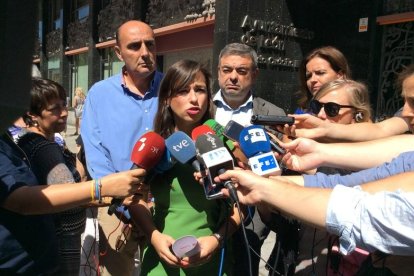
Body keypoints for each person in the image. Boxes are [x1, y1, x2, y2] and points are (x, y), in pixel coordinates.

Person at [129, 59, 241, 275]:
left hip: (215, 260)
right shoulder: (153, 146)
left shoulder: (222, 142)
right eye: (183, 91)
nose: (193, 99)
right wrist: (154, 237)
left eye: (199, 90)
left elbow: (242, 206)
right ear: (167, 99)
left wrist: (217, 239)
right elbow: (133, 199)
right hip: (163, 261)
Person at [0, 112, 146, 274]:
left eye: (63, 104)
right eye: (55, 107)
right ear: (34, 114)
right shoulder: (39, 146)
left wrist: (106, 195)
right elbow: (21, 200)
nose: (63, 112)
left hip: (44, 257)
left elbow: (66, 191)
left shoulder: (49, 143)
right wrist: (100, 187)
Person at [81, 20, 163, 275]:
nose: (145, 53)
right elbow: (95, 151)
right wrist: (122, 198)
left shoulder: (173, 88)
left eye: (150, 44)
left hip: (163, 202)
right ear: (118, 53)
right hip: (115, 207)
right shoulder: (99, 94)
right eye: (134, 46)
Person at [214, 42, 286, 276]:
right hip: (208, 203)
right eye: (227, 70)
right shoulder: (200, 106)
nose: (233, 77)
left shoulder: (272, 113)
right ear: (218, 71)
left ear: (254, 75)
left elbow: (283, 163)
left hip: (253, 210)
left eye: (241, 71)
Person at [296, 46, 351, 113]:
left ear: (340, 75)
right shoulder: (303, 111)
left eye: (320, 73)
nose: (312, 80)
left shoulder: (355, 111)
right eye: (308, 76)